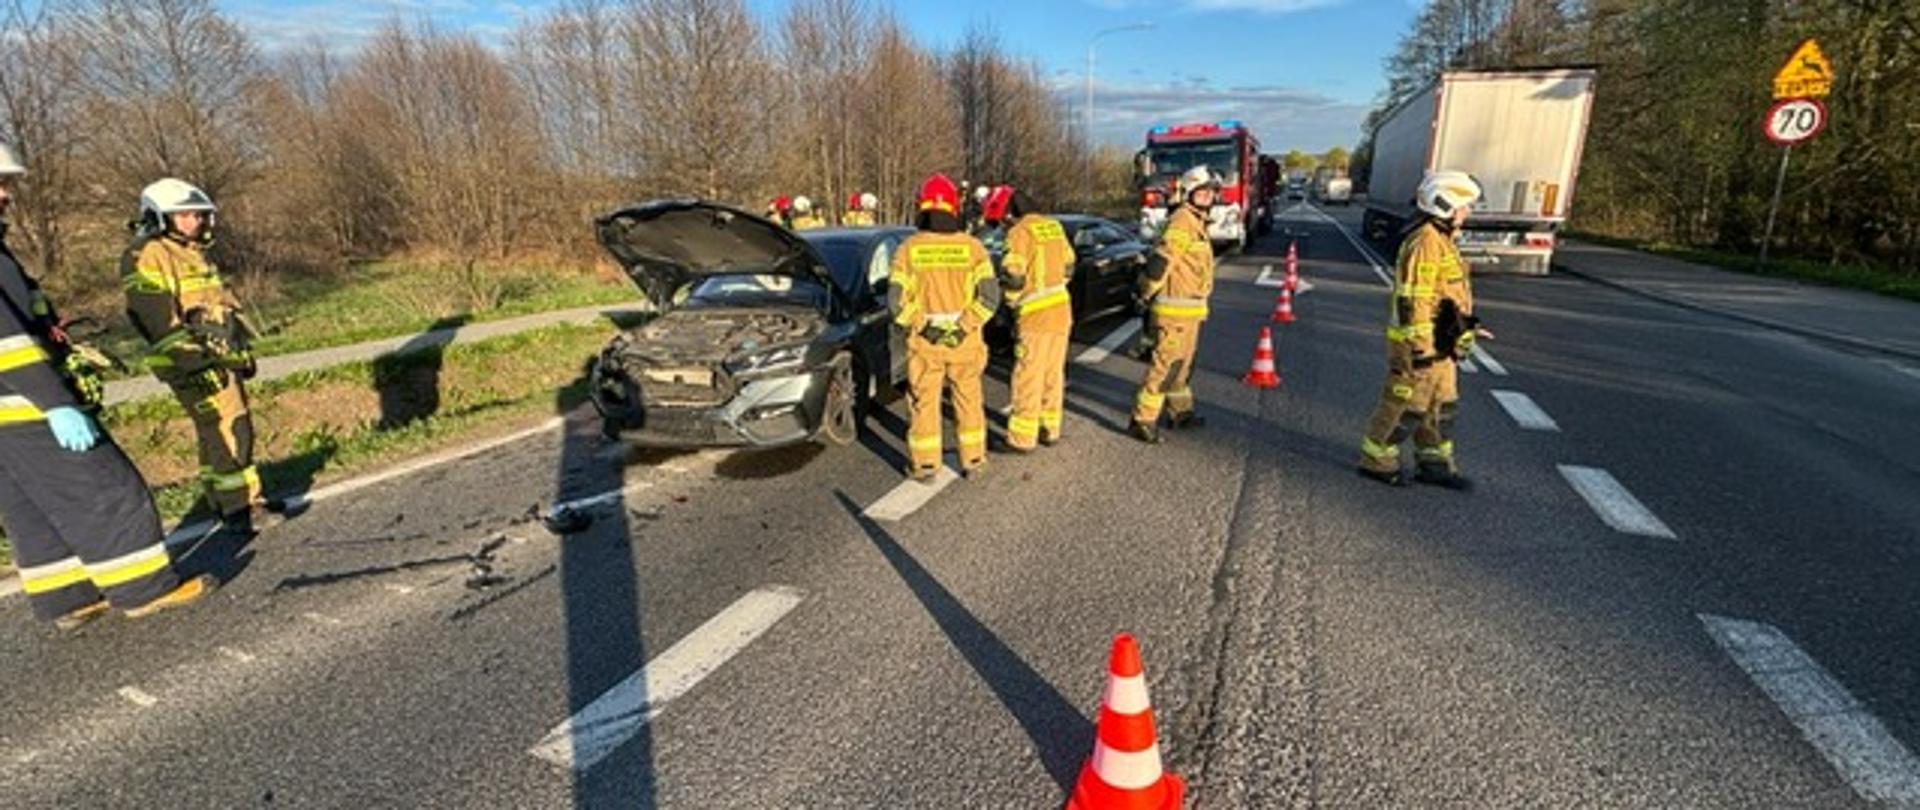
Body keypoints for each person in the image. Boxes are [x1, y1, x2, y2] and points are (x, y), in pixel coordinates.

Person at [0, 145, 214, 629]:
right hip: (26, 405)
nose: (5, 194)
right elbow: (9, 344)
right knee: (106, 488)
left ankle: (67, 597)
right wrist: (56, 403)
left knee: (33, 502)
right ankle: (144, 588)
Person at [122, 178, 271, 530]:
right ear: (159, 217)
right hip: (192, 363)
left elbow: (218, 308)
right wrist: (194, 362)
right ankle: (241, 506)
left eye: (200, 215)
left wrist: (240, 350)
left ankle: (222, 500)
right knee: (230, 427)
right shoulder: (148, 254)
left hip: (216, 358)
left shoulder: (190, 252)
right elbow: (156, 317)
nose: (197, 222)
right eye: (186, 215)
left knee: (215, 429)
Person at [1356, 170, 1486, 489]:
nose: (1467, 212)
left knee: (1441, 405)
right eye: (1463, 206)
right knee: (1406, 404)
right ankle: (1377, 459)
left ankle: (1434, 462)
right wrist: (1420, 346)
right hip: (1420, 344)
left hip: (1441, 342)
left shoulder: (1443, 241)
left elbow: (1446, 295)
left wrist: (1466, 327)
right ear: (1445, 205)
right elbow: (1415, 298)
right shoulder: (1425, 242)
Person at [890, 173, 1000, 482]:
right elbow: (990, 298)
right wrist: (964, 326)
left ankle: (925, 466)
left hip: (926, 343)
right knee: (968, 398)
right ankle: (975, 460)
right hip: (965, 342)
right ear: (954, 207)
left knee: (924, 403)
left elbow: (896, 302)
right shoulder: (974, 248)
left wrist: (926, 327)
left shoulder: (908, 249)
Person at [1130, 166, 1220, 444]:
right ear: (1187, 194)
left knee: (1183, 366)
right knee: (1165, 367)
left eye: (1210, 192)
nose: (1207, 197)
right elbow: (1162, 261)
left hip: (1190, 311)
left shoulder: (1197, 221)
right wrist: (1145, 292)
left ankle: (1180, 412)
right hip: (1173, 313)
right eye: (1201, 192)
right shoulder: (1183, 221)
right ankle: (1142, 419)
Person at [991, 186, 1075, 451]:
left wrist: (1012, 303)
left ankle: (1021, 439)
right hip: (1061, 308)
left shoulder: (1018, 232)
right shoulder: (1053, 226)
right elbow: (1070, 264)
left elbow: (1013, 275)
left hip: (1035, 314)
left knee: (1028, 374)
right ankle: (1050, 428)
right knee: (1052, 372)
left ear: (1009, 214)